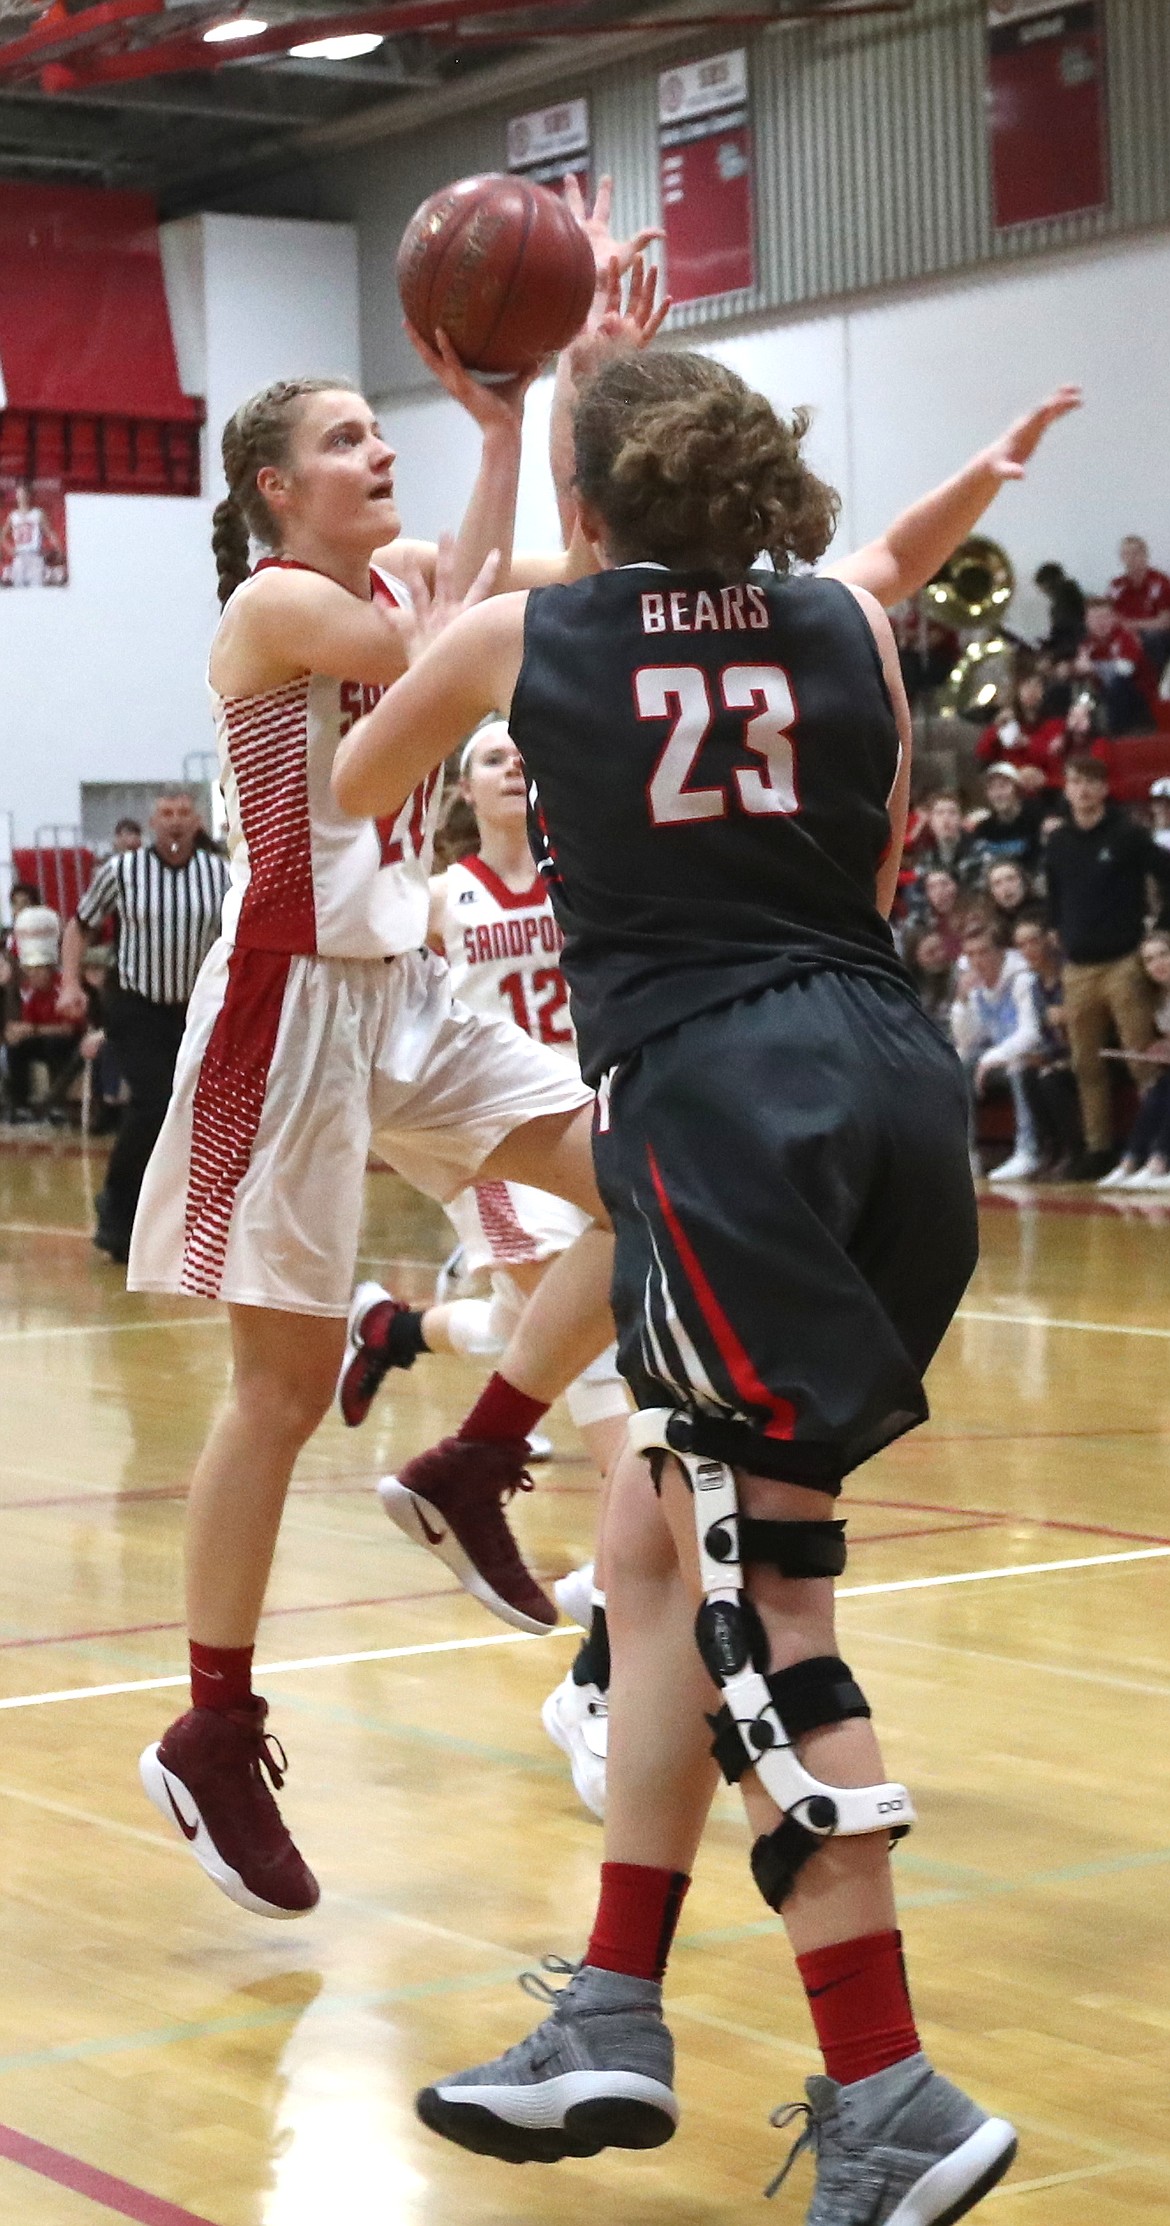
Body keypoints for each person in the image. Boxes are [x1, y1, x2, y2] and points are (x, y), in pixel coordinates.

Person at [329, 343, 1069, 2223]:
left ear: (589, 505)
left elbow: (354, 771)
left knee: (760, 1601)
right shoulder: (853, 624)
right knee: (653, 1540)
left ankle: (892, 2091)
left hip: (721, 1103)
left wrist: (446, 587)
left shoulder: (534, 639)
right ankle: (609, 2012)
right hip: (894, 1090)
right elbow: (870, 831)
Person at [339, 717, 631, 1820]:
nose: (514, 768)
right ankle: (602, 1671)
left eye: (523, 756)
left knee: (561, 1359)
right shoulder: (436, 895)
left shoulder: (577, 872)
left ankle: (394, 1334)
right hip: (496, 1148)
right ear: (463, 789)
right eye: (493, 759)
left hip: (585, 1121)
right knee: (613, 1408)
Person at [57, 793, 231, 1262]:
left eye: (183, 814)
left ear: (197, 822)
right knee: (154, 1104)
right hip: (136, 1003)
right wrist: (70, 982)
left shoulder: (222, 874)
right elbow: (79, 927)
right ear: (154, 823)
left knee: (197, 1113)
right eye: (166, 815)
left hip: (197, 1008)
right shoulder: (122, 870)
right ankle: (117, 1213)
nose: (175, 823)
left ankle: (186, 1218)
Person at [1044, 754, 1170, 1178]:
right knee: (1086, 1063)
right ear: (1066, 788)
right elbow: (1054, 894)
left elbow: (1165, 874)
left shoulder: (1128, 834)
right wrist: (1055, 928)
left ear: (1103, 788)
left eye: (1090, 782)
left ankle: (1155, 1146)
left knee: (1141, 1059)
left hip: (1124, 961)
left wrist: (1161, 930)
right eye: (1074, 781)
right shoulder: (1058, 841)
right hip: (1077, 966)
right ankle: (1100, 1149)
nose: (1081, 790)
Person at [950, 921, 1042, 1182]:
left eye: (983, 952)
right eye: (971, 954)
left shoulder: (1022, 978)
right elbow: (968, 1039)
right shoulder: (976, 985)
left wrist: (990, 1059)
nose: (977, 960)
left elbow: (1031, 1032)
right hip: (998, 1057)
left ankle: (1028, 1150)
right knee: (960, 1063)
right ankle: (966, 1152)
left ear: (1000, 951)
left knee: (1018, 1067)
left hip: (1032, 1053)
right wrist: (963, 1002)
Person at [1095, 932, 1170, 1189]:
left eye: (1164, 955)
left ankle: (1160, 1161)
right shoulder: (1157, 999)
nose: (1158, 963)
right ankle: (1131, 1160)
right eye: (1149, 960)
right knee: (1159, 1090)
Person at [1011, 916, 1083, 1174]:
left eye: (1033, 941)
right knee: (1026, 1072)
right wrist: (1044, 1055)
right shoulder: (1035, 985)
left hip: (1085, 1051)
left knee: (1050, 1079)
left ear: (1048, 941)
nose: (1029, 949)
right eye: (1022, 944)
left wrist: (1068, 1018)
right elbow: (1044, 1033)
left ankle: (1074, 1150)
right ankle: (1049, 1146)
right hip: (1058, 1053)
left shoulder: (1072, 974)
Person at [1073, 597, 1158, 736]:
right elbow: (1086, 676)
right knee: (1080, 692)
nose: (1100, 623)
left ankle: (1117, 737)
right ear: (1086, 621)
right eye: (1095, 618)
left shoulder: (1125, 637)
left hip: (1136, 696)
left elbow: (1126, 669)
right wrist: (1072, 669)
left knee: (1118, 685)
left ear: (1113, 618)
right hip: (1101, 695)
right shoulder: (1087, 645)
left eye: (1105, 617)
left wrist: (1093, 667)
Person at [1109, 534, 1170, 676]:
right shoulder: (1116, 585)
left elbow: (1165, 622)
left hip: (1155, 635)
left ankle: (1154, 685)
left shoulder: (1160, 582)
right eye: (1126, 554)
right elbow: (1110, 615)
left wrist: (1132, 626)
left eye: (1136, 553)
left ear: (1145, 555)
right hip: (1125, 633)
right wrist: (1128, 631)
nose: (1131, 558)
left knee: (1152, 637)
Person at [969, 763, 1044, 876]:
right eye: (992, 788)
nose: (998, 794)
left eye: (1003, 786)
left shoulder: (1038, 818)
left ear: (1016, 789)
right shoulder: (983, 829)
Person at [1, 481, 63, 587]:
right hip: (19, 556)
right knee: (19, 589)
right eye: (19, 494)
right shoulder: (13, 516)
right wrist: (9, 549)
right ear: (16, 496)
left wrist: (58, 548)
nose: (22, 497)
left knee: (37, 587)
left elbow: (49, 532)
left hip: (35, 555)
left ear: (29, 495)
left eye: (24, 494)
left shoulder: (37, 513)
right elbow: (2, 535)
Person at [1034, 559, 1086, 661]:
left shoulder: (1062, 598)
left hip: (1070, 650)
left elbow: (1064, 630)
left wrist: (1050, 647)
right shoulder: (1070, 594)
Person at [984, 857, 1033, 945]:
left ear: (1024, 882)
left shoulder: (1048, 912)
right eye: (997, 883)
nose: (1006, 887)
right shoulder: (989, 924)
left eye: (1011, 879)